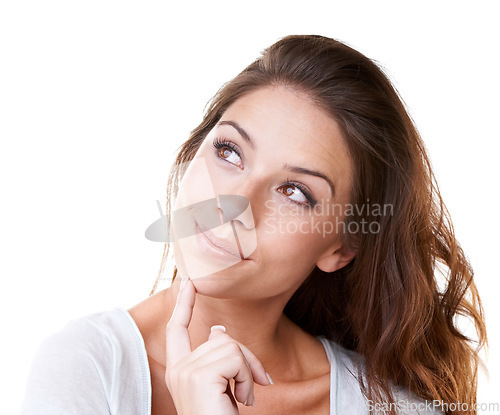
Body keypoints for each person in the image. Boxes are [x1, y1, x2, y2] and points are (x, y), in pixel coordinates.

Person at [20, 35, 486, 415]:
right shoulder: (86, 367)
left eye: (295, 192)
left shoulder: (395, 409)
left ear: (340, 248)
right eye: (229, 152)